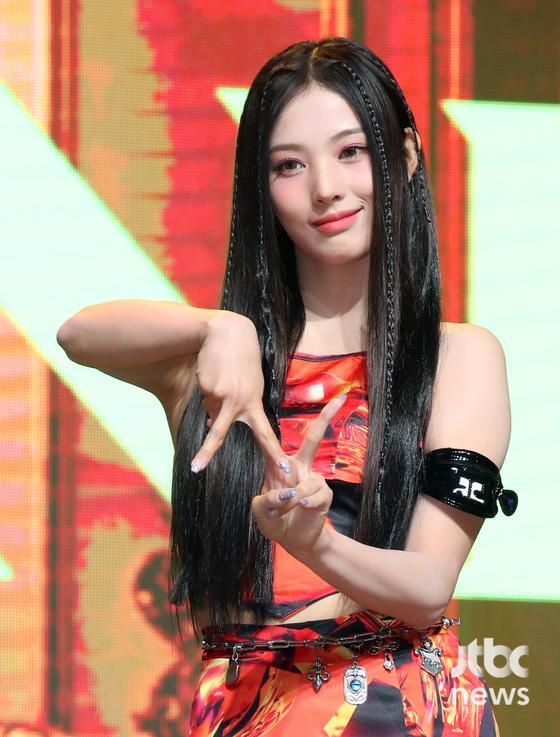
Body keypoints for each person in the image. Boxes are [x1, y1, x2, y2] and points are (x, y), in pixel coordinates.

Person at [57, 37, 518, 736]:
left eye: (351, 152)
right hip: (245, 710)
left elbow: (428, 587)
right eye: (289, 165)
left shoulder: (458, 357)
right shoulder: (221, 367)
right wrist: (219, 327)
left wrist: (315, 542)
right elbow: (77, 333)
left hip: (395, 708)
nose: (325, 187)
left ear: (405, 155)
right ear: (262, 187)